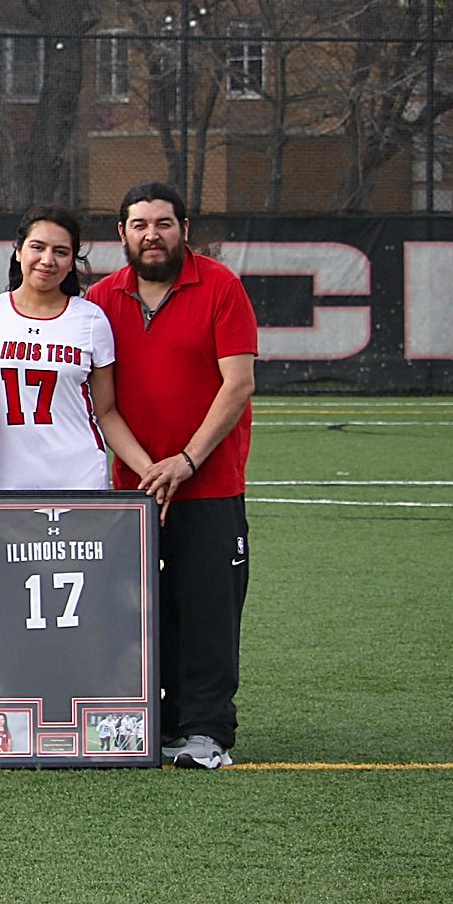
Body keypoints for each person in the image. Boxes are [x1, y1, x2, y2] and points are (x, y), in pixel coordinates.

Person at [87, 181, 258, 770]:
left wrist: (185, 461)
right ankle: (146, 720)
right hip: (133, 488)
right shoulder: (102, 299)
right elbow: (89, 397)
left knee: (208, 608)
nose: (151, 235)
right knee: (132, 609)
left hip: (209, 484)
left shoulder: (221, 286)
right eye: (139, 224)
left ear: (184, 228)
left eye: (163, 223)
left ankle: (206, 729)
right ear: (122, 234)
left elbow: (237, 384)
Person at [0, 205, 146, 490]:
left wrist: (149, 470)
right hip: (9, 478)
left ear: (71, 261)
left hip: (80, 477)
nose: (47, 260)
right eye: (37, 247)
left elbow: (106, 413)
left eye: (60, 251)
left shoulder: (91, 319)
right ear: (19, 251)